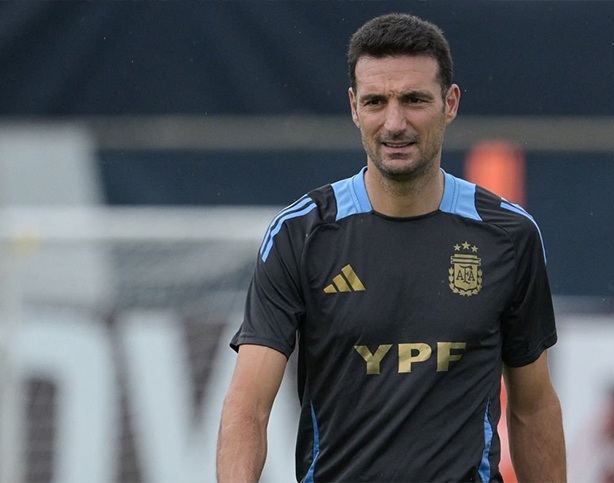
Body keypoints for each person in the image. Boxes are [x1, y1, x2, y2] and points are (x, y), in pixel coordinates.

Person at [216, 12, 566, 483]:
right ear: (354, 107)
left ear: (450, 103)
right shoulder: (301, 234)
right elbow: (249, 405)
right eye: (376, 101)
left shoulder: (509, 235)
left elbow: (533, 406)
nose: (394, 123)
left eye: (414, 100)